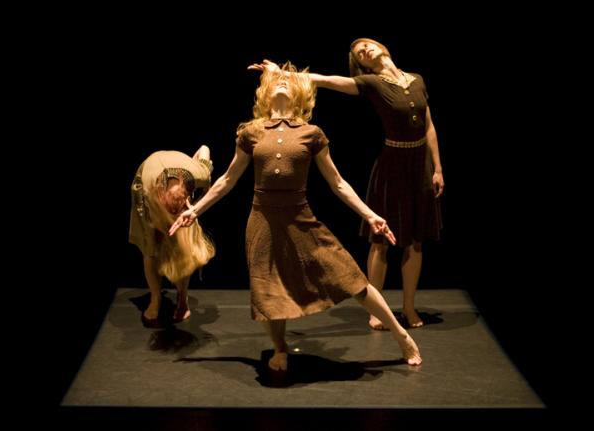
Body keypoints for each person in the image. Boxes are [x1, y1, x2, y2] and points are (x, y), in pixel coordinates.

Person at [169, 63, 422, 369]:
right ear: (264, 92)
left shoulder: (311, 133)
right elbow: (226, 180)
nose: (283, 83)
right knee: (269, 292)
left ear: (301, 93)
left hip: (301, 219)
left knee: (351, 279)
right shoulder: (251, 132)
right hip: (262, 221)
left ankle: (401, 336)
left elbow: (338, 183)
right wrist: (194, 210)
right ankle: (280, 348)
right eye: (276, 80)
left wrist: (370, 215)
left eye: (288, 81)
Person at [249, 39, 444, 330]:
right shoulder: (370, 83)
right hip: (393, 165)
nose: (364, 49)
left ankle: (408, 307)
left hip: (420, 166)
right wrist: (281, 73)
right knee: (381, 241)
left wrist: (438, 167)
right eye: (358, 52)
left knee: (415, 241)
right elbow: (324, 80)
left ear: (383, 46)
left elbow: (428, 125)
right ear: (360, 64)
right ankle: (377, 311)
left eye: (367, 44)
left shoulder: (416, 79)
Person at [129, 146, 215, 327]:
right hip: (147, 186)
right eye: (171, 210)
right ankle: (155, 299)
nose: (174, 213)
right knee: (150, 248)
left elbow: (204, 148)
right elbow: (150, 244)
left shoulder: (199, 174)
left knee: (183, 250)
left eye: (178, 208)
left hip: (181, 178)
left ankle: (182, 299)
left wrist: (194, 208)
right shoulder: (145, 192)